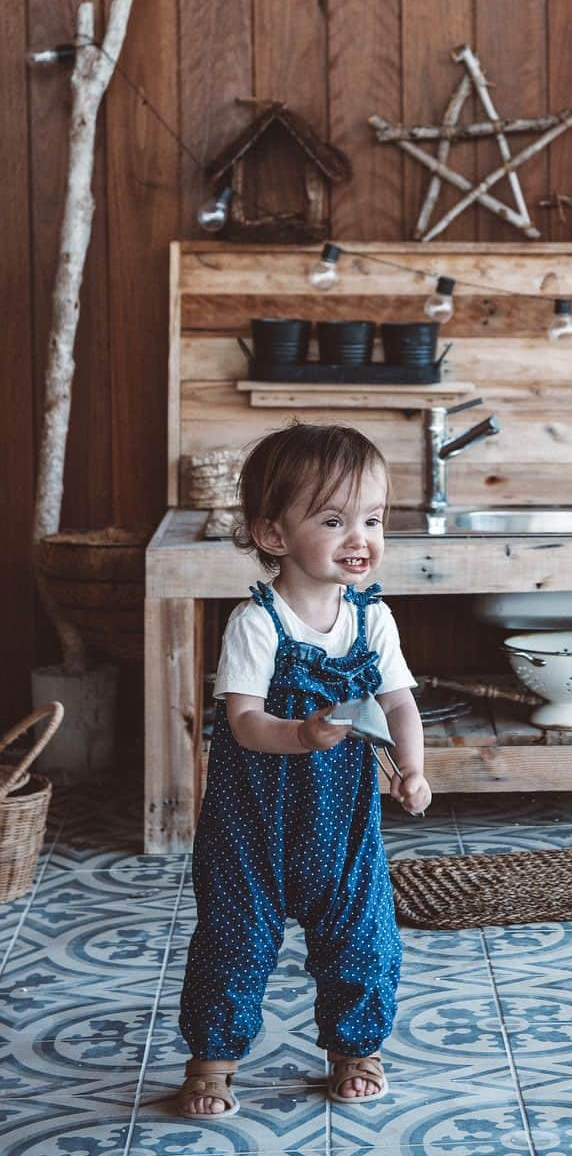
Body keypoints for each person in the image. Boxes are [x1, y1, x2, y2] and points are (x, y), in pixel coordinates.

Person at [175, 422, 431, 1117]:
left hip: (341, 824)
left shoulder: (372, 620)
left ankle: (356, 1050)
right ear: (273, 535)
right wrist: (306, 733)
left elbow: (399, 701)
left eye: (372, 519)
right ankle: (212, 1064)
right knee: (233, 944)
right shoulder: (256, 624)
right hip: (249, 826)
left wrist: (410, 768)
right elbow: (244, 722)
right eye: (333, 519)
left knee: (363, 936)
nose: (361, 538)